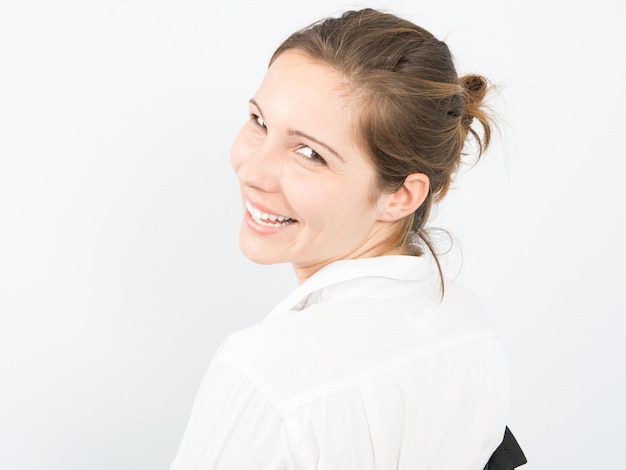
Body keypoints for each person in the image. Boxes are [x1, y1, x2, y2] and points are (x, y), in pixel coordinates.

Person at [170, 8, 526, 470]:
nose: (252, 170)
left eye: (309, 153)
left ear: (400, 194)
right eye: (259, 121)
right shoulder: (469, 325)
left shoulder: (265, 377)